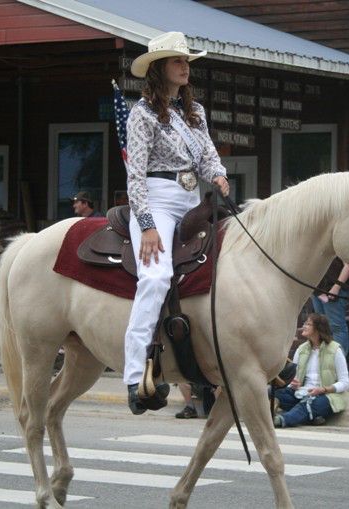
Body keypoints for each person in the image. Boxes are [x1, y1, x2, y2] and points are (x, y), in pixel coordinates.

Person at [124, 32, 229, 415]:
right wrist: (148, 225)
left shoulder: (194, 112)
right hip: (157, 201)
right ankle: (136, 376)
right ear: (158, 69)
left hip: (191, 201)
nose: (185, 67)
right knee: (154, 277)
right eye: (177, 61)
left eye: (187, 61)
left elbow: (207, 158)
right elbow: (134, 177)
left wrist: (218, 175)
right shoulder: (141, 114)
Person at [273, 313, 349, 428]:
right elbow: (295, 378)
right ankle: (312, 416)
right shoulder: (301, 349)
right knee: (272, 393)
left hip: (326, 396)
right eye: (304, 323)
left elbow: (345, 383)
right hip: (302, 392)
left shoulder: (335, 350)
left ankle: (281, 420)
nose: (304, 326)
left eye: (308, 324)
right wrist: (293, 384)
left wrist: (323, 389)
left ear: (318, 329)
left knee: (308, 404)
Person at [311, 258, 349, 356]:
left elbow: (348, 265)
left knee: (336, 327)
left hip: (334, 290)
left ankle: (338, 363)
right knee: (320, 327)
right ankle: (324, 361)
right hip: (317, 290)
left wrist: (336, 287)